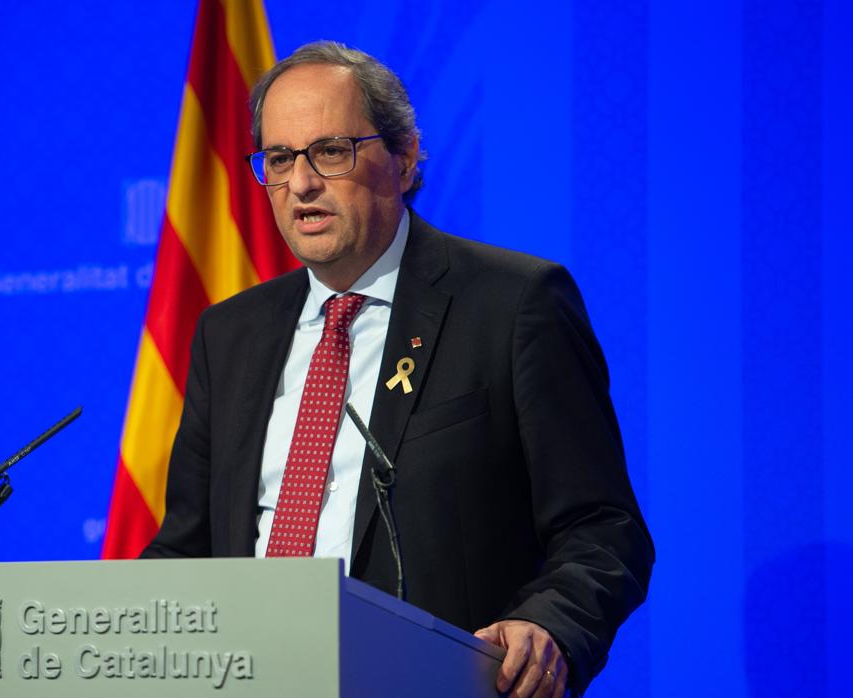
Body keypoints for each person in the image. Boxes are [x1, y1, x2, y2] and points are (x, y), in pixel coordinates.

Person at [142, 41, 652, 697]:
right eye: (278, 158)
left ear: (406, 158)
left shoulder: (513, 304)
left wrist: (547, 625)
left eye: (330, 151)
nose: (300, 183)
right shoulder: (229, 333)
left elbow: (603, 529)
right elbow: (188, 547)